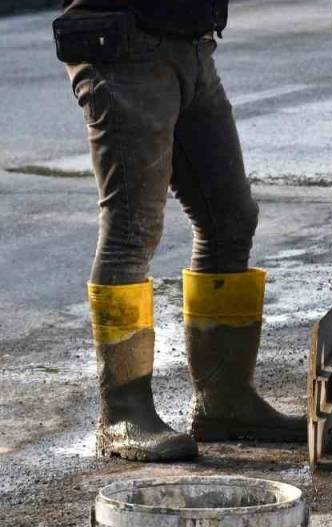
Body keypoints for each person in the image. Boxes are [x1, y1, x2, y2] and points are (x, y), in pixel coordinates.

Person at [54, 0, 302, 461]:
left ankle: (225, 401)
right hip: (124, 44)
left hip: (189, 41)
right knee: (132, 230)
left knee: (230, 219)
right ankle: (123, 415)